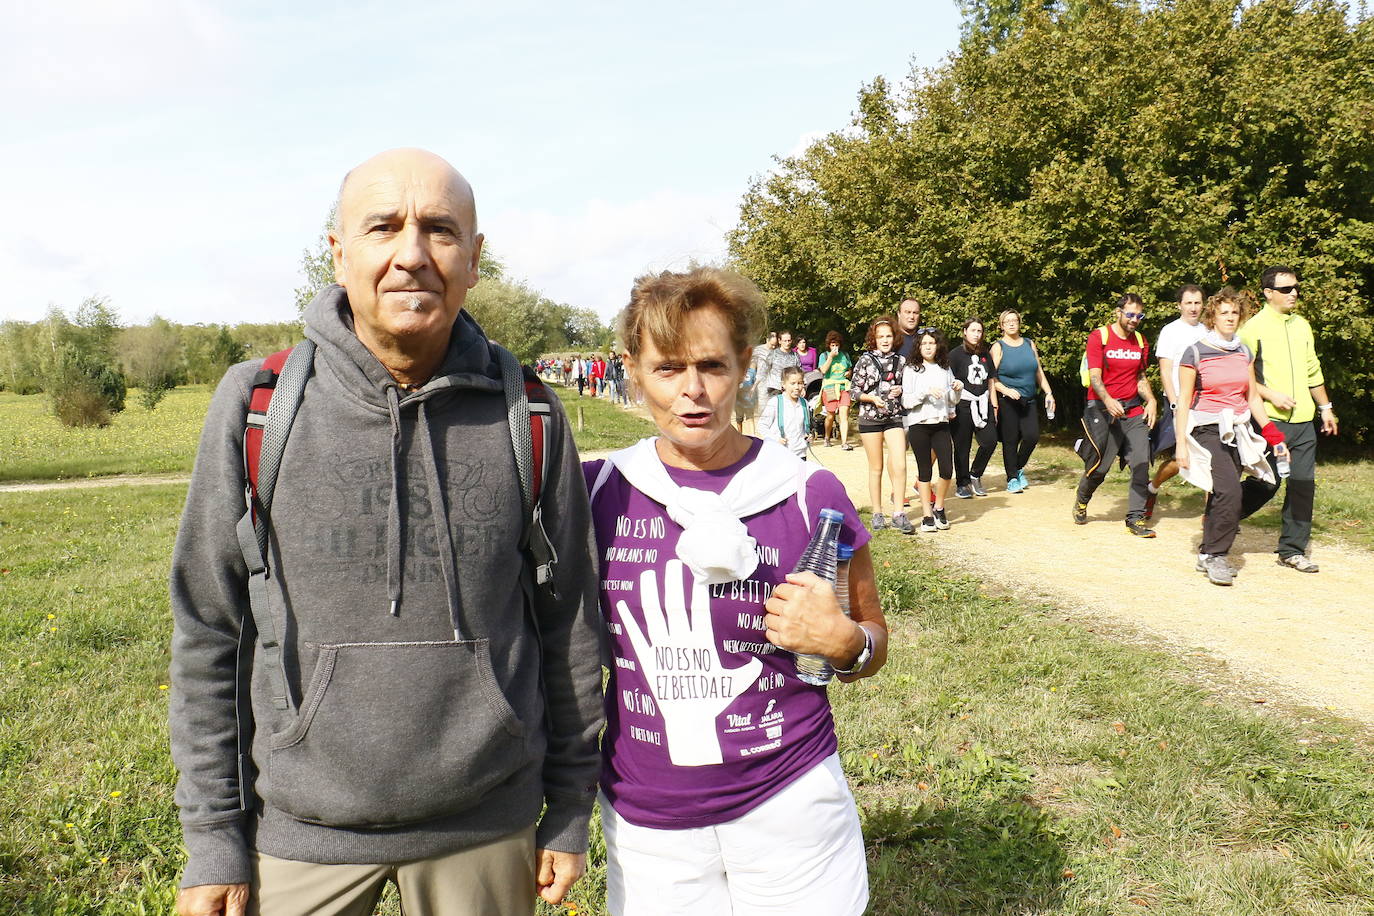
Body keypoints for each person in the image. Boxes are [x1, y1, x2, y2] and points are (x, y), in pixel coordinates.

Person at [168, 149, 603, 916]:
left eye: (439, 230)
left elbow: (568, 620)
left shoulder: (528, 412)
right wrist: (214, 837)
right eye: (383, 227)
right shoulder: (258, 405)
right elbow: (209, 628)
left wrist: (568, 809)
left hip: (486, 824)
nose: (411, 254)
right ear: (339, 254)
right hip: (303, 830)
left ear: (473, 258)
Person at [582, 266, 887, 916]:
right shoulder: (598, 491)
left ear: (745, 365)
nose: (693, 392)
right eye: (667, 369)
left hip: (790, 805)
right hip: (649, 823)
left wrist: (845, 643)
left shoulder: (808, 493)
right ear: (632, 369)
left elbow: (871, 636)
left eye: (713, 366)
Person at [1174, 288, 1287, 586]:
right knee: (1229, 490)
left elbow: (1252, 399)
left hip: (1239, 428)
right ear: (1212, 317)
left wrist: (1274, 436)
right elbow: (1183, 402)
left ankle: (1207, 549)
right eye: (1223, 312)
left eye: (1234, 313)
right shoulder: (1195, 352)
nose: (1229, 318)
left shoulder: (1243, 352)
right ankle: (1215, 554)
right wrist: (1180, 445)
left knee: (1265, 482)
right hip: (1207, 428)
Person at [1238, 265, 1339, 572]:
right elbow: (1241, 378)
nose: (1294, 293)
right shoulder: (1252, 329)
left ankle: (1291, 550)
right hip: (1270, 420)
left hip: (1304, 421)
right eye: (1285, 289)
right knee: (1267, 483)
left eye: (1296, 287)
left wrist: (1325, 408)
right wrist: (1272, 395)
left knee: (1303, 484)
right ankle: (1221, 515)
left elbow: (1313, 371)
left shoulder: (1302, 326)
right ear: (1268, 294)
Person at [1072, 293, 1159, 537]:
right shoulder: (1100, 337)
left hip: (1132, 410)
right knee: (1100, 466)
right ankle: (1082, 498)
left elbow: (1140, 377)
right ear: (1118, 312)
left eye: (1139, 315)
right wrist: (1108, 400)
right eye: (1130, 314)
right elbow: (1095, 376)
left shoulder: (1141, 341)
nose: (1134, 320)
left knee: (1141, 463)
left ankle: (1135, 518)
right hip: (1101, 408)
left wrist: (1151, 400)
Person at [1148, 284, 1209, 518]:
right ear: (1179, 305)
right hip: (1178, 402)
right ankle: (1152, 488)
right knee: (1181, 459)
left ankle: (1211, 514)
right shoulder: (1170, 331)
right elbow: (1165, 370)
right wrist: (1174, 402)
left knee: (1211, 456)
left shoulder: (1208, 331)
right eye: (1189, 303)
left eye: (1197, 303)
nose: (1193, 308)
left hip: (1203, 402)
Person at [852, 317, 912, 533]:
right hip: (870, 419)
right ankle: (877, 513)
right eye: (880, 337)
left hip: (894, 417)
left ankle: (898, 513)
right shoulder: (865, 360)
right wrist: (872, 398)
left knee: (900, 464)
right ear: (874, 339)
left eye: (888, 336)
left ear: (894, 337)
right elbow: (854, 392)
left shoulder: (901, 361)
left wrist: (901, 390)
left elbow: (908, 387)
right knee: (876, 467)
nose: (885, 340)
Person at [901, 329, 961, 532]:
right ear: (918, 346)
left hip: (941, 424)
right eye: (924, 343)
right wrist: (925, 393)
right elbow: (906, 401)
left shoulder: (944, 368)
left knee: (946, 469)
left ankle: (939, 507)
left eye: (932, 343)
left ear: (938, 346)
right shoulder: (911, 369)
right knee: (924, 471)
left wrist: (957, 389)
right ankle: (927, 515)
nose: (928, 347)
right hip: (919, 424)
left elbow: (952, 400)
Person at [990, 310, 1055, 493]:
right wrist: (1006, 390)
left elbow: (1038, 372)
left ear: (1019, 323)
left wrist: (1049, 393)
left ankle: (1017, 468)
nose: (1011, 324)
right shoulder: (998, 347)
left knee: (1032, 436)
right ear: (1001, 326)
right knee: (1010, 441)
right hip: (1007, 401)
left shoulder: (1029, 343)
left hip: (1029, 399)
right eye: (1007, 321)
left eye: (1014, 321)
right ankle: (1012, 479)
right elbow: (991, 379)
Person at [948, 318, 999, 499]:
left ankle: (975, 474)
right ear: (965, 331)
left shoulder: (986, 354)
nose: (976, 334)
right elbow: (948, 380)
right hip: (962, 404)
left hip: (983, 403)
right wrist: (950, 407)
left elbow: (991, 380)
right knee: (962, 446)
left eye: (979, 331)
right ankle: (962, 483)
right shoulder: (955, 355)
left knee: (990, 441)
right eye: (973, 330)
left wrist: (994, 405)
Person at [758, 365, 812, 458]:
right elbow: (762, 426)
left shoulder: (805, 403)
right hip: (779, 454)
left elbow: (803, 427)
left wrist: (808, 435)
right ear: (783, 384)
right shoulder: (775, 402)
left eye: (800, 383)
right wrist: (775, 439)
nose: (797, 387)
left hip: (800, 454)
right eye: (793, 383)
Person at [818, 330, 854, 449]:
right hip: (829, 387)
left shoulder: (845, 355)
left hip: (844, 387)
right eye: (832, 345)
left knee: (844, 415)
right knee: (830, 415)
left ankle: (844, 442)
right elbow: (823, 370)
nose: (835, 347)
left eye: (837, 345)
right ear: (829, 345)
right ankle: (827, 437)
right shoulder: (824, 356)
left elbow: (849, 369)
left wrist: (849, 373)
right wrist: (831, 357)